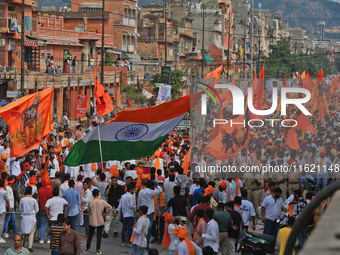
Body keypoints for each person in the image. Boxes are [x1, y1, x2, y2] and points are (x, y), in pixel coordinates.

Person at [84, 189, 112, 255]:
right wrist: (106, 213)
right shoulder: (102, 201)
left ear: (93, 194)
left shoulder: (91, 202)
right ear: (98, 194)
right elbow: (110, 207)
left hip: (93, 220)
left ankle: (87, 249)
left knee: (90, 235)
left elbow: (88, 210)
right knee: (99, 236)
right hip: (100, 220)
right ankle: (97, 250)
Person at [137, 179, 163, 247]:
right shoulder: (151, 192)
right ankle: (146, 245)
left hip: (142, 212)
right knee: (147, 231)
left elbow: (138, 202)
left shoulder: (141, 192)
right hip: (150, 213)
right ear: (152, 186)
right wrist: (157, 183)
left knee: (141, 229)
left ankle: (140, 244)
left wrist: (138, 209)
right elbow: (160, 190)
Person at [115, 183, 136, 247]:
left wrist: (116, 212)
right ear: (131, 189)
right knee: (130, 229)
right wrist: (136, 207)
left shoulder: (123, 196)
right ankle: (129, 242)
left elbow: (120, 206)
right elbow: (131, 205)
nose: (134, 191)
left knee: (124, 229)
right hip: (130, 214)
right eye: (133, 189)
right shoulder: (131, 196)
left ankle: (123, 242)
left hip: (124, 215)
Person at [19, 186, 39, 252]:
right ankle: (30, 247)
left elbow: (20, 209)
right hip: (32, 217)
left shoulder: (22, 199)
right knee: (31, 233)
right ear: (31, 192)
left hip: (24, 217)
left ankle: (22, 245)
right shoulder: (33, 200)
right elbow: (37, 209)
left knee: (23, 232)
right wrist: (33, 213)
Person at [36, 177, 53, 244]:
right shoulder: (51, 190)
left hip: (42, 209)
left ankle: (41, 238)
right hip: (50, 210)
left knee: (42, 224)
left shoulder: (40, 190)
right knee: (49, 225)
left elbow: (37, 200)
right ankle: (48, 239)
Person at [0, 178, 11, 243]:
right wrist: (9, 208)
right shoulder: (4, 192)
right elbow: (7, 201)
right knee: (1, 224)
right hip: (2, 210)